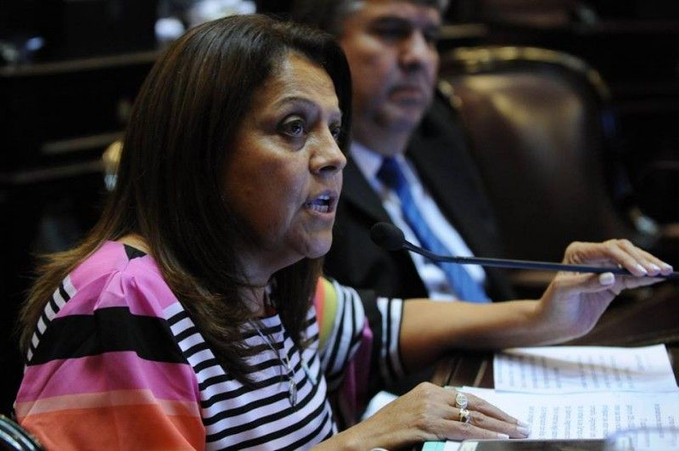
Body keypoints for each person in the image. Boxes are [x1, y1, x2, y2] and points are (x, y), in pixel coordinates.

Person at [13, 13, 672, 451]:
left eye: (333, 129)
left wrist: (542, 315)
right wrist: (359, 440)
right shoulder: (121, 303)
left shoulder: (265, 278)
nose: (333, 156)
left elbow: (379, 327)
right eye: (293, 128)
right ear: (198, 152)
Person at [290, 0, 515, 303]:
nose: (418, 56)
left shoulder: (439, 132)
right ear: (322, 48)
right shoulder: (305, 169)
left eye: (430, 37)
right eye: (391, 32)